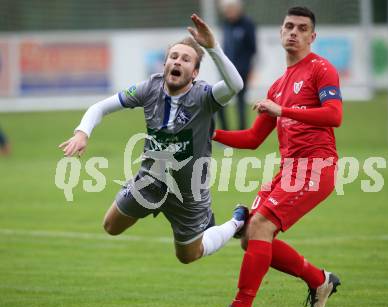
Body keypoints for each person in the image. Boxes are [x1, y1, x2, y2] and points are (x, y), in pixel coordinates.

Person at [59, 14, 249, 265]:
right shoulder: (149, 88)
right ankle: (150, 204)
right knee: (110, 226)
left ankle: (237, 221)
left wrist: (212, 46)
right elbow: (99, 107)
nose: (177, 61)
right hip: (150, 181)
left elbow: (236, 84)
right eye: (173, 57)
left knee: (188, 256)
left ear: (195, 72)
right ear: (165, 64)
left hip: (188, 192)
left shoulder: (205, 97)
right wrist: (83, 132)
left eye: (185, 59)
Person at [204, 6, 343, 307]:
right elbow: (253, 138)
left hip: (316, 166)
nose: (294, 32)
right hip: (289, 171)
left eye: (301, 28)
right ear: (280, 33)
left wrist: (284, 111)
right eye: (289, 26)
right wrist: (208, 134)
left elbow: (334, 115)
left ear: (312, 36)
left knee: (261, 228)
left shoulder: (321, 69)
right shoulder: (278, 85)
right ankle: (320, 280)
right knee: (250, 237)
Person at [216, 0, 256, 130]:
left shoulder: (247, 24)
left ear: (238, 9)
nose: (229, 12)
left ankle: (242, 131)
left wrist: (249, 68)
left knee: (240, 102)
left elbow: (252, 49)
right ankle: (224, 131)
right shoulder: (225, 24)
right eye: (227, 10)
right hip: (225, 69)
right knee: (219, 100)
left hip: (242, 70)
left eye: (231, 9)